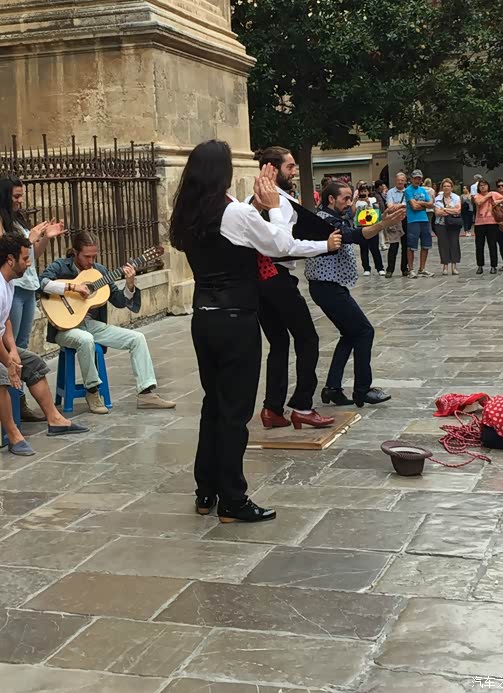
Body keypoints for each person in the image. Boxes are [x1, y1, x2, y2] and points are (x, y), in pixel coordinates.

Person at [169, 140, 305, 524]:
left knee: (214, 404)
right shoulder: (232, 212)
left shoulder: (188, 212)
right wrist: (274, 207)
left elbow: (235, 232)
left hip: (204, 317)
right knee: (235, 411)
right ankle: (232, 498)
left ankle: (206, 490)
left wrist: (257, 207)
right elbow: (281, 244)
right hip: (236, 319)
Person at [0, 233, 87, 456]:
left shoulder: (7, 282)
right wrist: (9, 363)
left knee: (34, 364)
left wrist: (12, 350)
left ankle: (55, 419)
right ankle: (14, 435)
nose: (29, 263)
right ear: (10, 260)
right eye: (25, 258)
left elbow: (5, 322)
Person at [247, 147, 342, 431]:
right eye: (289, 167)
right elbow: (285, 246)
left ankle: (272, 408)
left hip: (257, 281)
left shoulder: (250, 201)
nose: (294, 172)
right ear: (272, 169)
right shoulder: (279, 203)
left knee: (279, 343)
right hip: (277, 278)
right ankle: (302, 406)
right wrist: (324, 246)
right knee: (307, 339)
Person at [38, 231, 174, 412]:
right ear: (75, 253)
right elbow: (41, 282)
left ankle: (146, 393)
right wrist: (73, 287)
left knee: (137, 338)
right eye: (87, 256)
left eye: (94, 256)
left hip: (91, 325)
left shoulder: (100, 272)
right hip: (64, 328)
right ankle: (92, 391)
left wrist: (130, 284)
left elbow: (119, 302)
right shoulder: (61, 267)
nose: (91, 261)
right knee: (85, 339)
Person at [306, 181, 404, 408]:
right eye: (345, 198)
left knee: (350, 334)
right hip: (327, 287)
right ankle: (363, 390)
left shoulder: (334, 217)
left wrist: (382, 218)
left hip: (331, 286)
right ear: (331, 199)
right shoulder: (324, 219)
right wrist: (383, 224)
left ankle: (333, 388)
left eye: (351, 198)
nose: (349, 203)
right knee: (364, 331)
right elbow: (352, 235)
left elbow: (357, 230)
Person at [0, 177, 65, 422]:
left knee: (22, 345)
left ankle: (19, 401)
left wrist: (45, 237)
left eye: (21, 195)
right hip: (10, 287)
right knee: (10, 347)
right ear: (4, 195)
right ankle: (13, 404)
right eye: (16, 196)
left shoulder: (16, 219)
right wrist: (30, 238)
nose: (20, 200)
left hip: (27, 285)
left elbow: (30, 256)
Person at [404, 169, 434, 278]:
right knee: (411, 246)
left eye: (419, 178)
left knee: (426, 244)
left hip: (424, 219)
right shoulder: (408, 190)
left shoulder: (422, 190)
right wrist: (424, 205)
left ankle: (422, 268)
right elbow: (414, 206)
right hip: (413, 220)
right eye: (415, 178)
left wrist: (420, 203)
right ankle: (411, 269)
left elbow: (431, 203)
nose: (417, 180)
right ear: (411, 179)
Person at [473, 180, 503, 274]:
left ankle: (493, 266)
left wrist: (498, 201)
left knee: (492, 245)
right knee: (479, 245)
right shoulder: (477, 196)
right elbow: (479, 203)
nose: (483, 187)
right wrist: (488, 196)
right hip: (479, 224)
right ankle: (480, 265)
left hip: (492, 223)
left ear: (488, 186)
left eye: (485, 185)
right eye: (481, 185)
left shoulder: (494, 194)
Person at [352, 183, 385, 275]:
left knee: (375, 248)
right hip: (361, 226)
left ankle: (380, 268)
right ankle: (366, 268)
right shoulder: (357, 202)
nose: (363, 193)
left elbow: (376, 210)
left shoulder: (373, 199)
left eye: (365, 191)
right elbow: (353, 213)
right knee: (364, 248)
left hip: (372, 225)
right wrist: (354, 202)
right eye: (361, 191)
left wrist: (368, 203)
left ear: (368, 192)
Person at [433, 178, 462, 275]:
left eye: (448, 186)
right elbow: (437, 212)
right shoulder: (437, 198)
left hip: (453, 224)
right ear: (442, 187)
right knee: (443, 245)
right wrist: (450, 209)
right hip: (441, 224)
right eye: (444, 186)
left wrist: (444, 209)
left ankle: (454, 266)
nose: (446, 188)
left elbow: (458, 211)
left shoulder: (456, 197)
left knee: (454, 243)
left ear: (452, 187)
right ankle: (445, 266)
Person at [384, 172, 409, 277]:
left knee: (406, 245)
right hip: (394, 220)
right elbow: (390, 206)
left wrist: (397, 205)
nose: (400, 182)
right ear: (395, 180)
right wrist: (402, 205)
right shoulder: (390, 192)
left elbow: (409, 205)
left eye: (402, 180)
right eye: (398, 180)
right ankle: (390, 269)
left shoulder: (408, 192)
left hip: (406, 219)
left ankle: (404, 268)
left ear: (405, 181)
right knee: (393, 245)